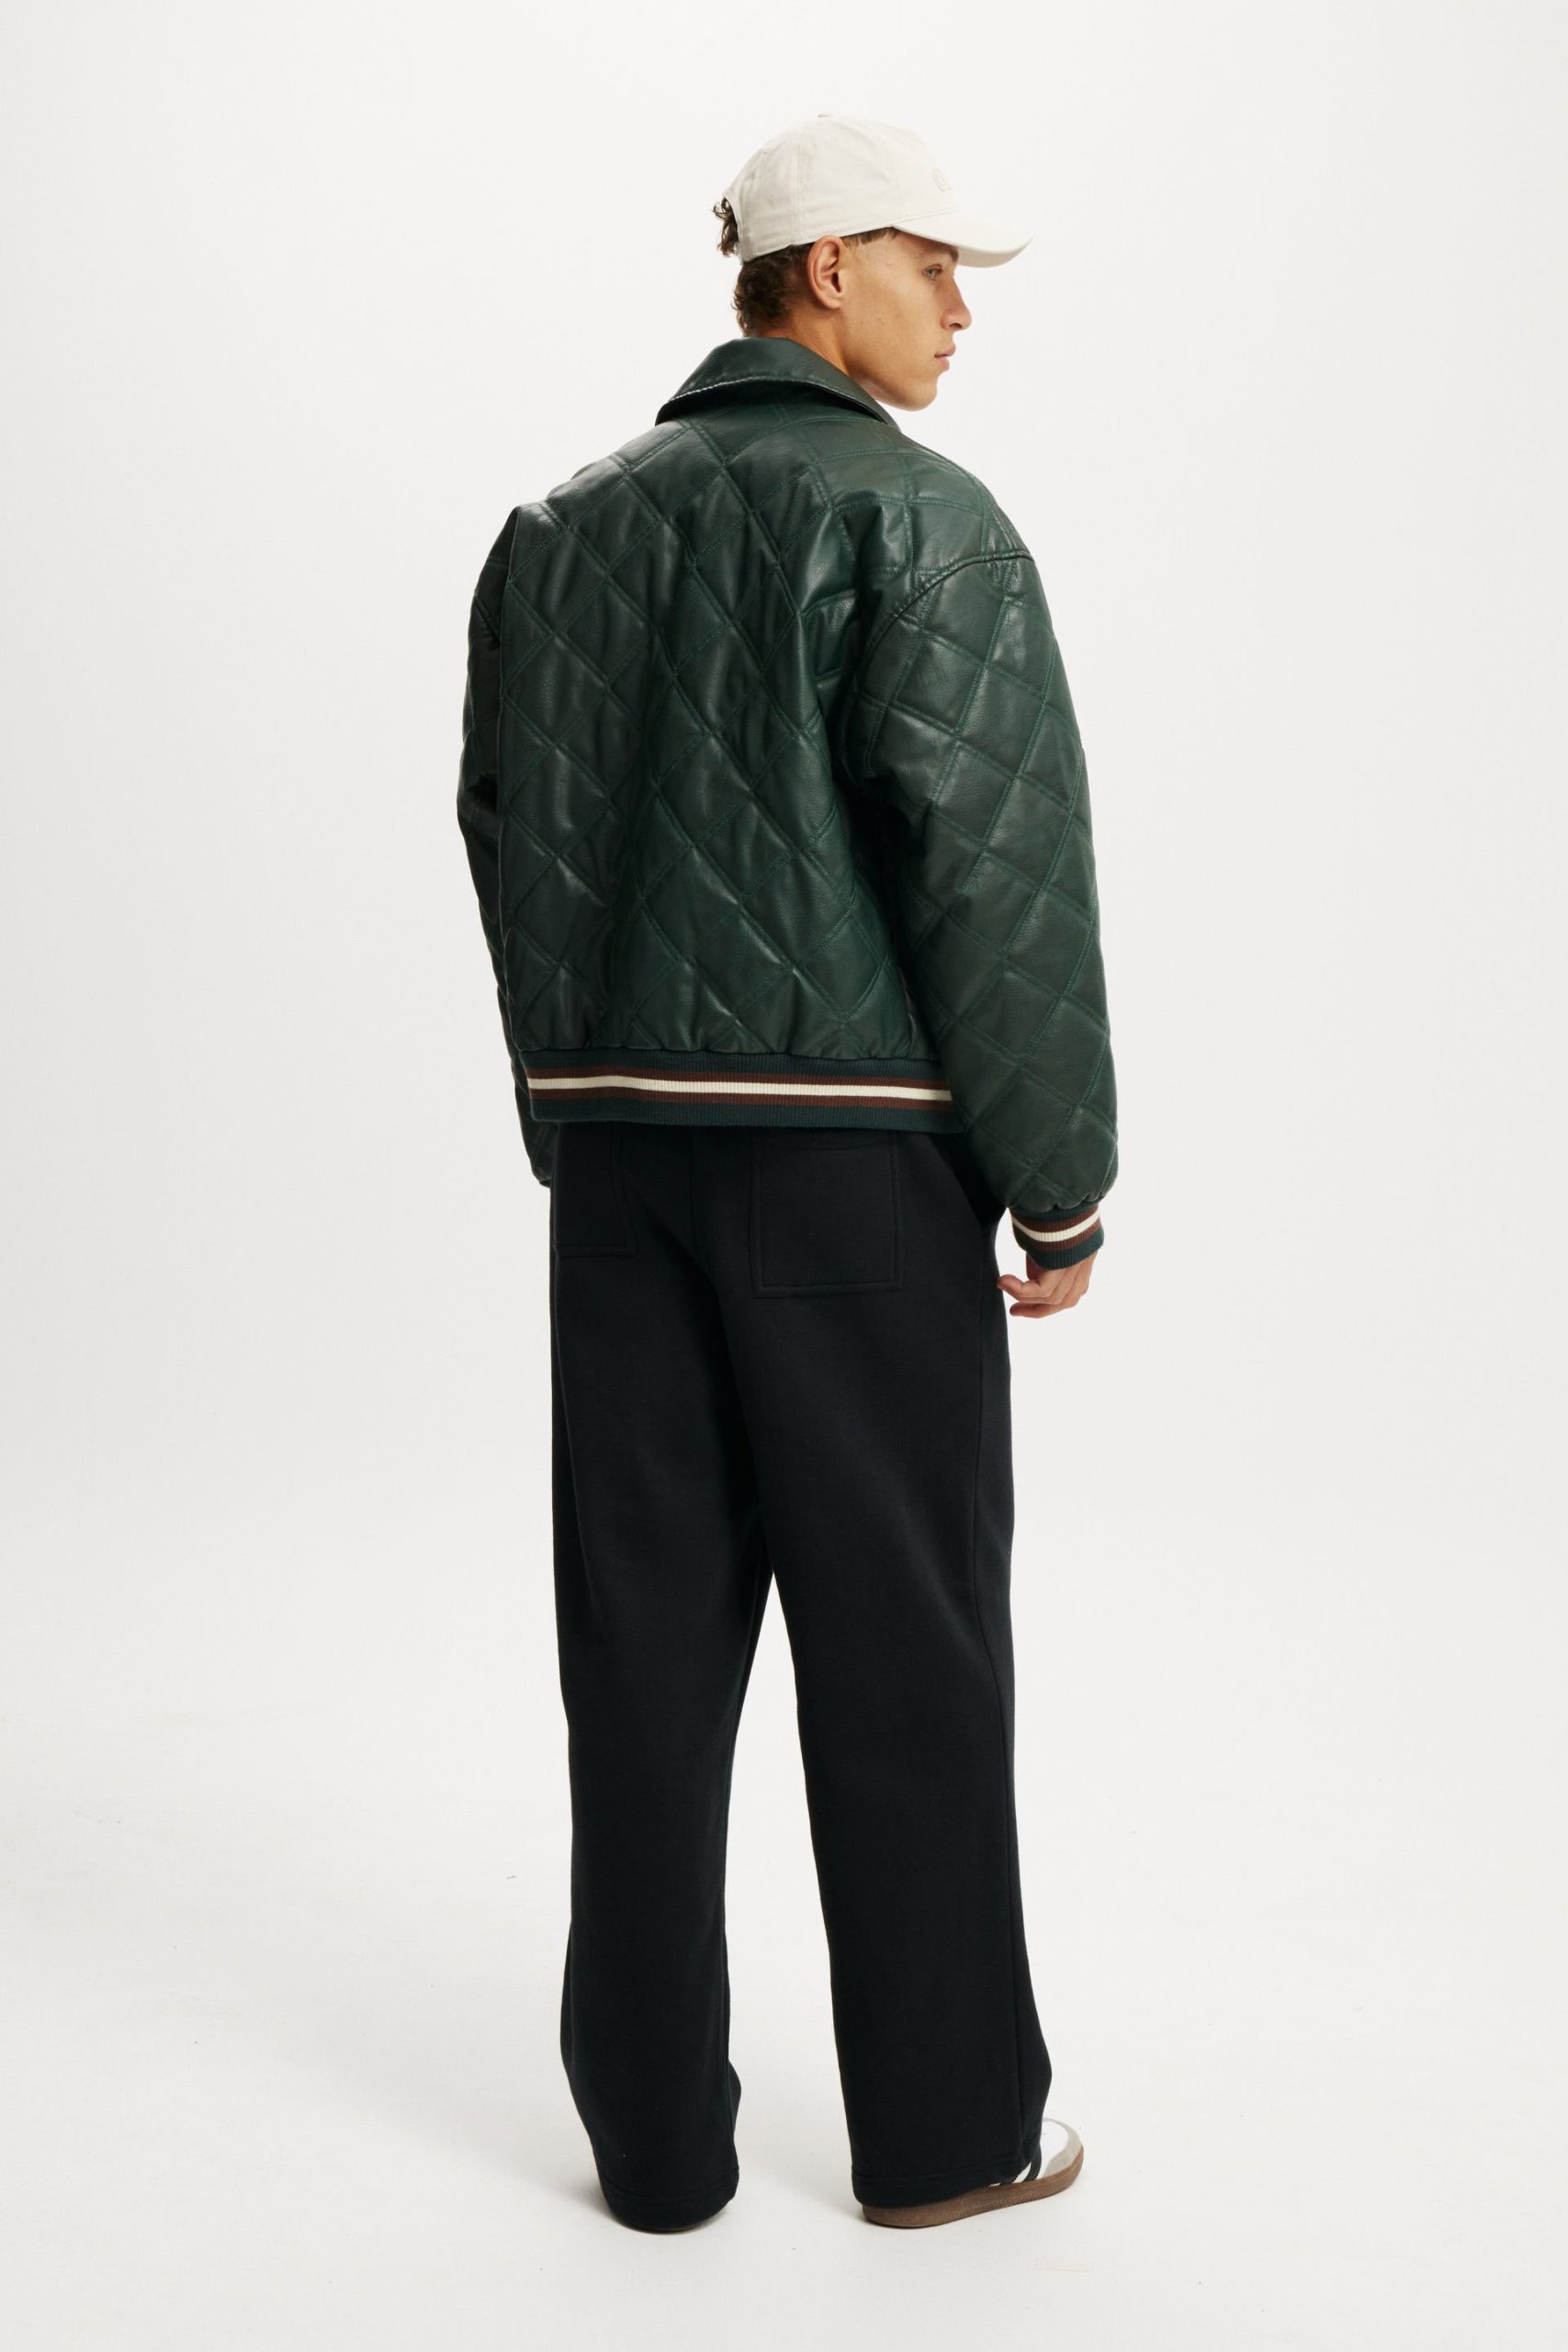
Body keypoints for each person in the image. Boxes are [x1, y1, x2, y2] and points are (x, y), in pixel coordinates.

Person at [456, 110, 1118, 2233]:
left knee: (638, 1662)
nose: (959, 314)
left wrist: (574, 1117)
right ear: (824, 269)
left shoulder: (556, 530)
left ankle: (654, 2151)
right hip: (855, 1182)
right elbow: (997, 876)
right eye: (934, 267)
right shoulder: (920, 523)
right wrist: (1057, 1183)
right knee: (904, 1653)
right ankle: (947, 2135)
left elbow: (508, 840)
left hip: (622, 1176)